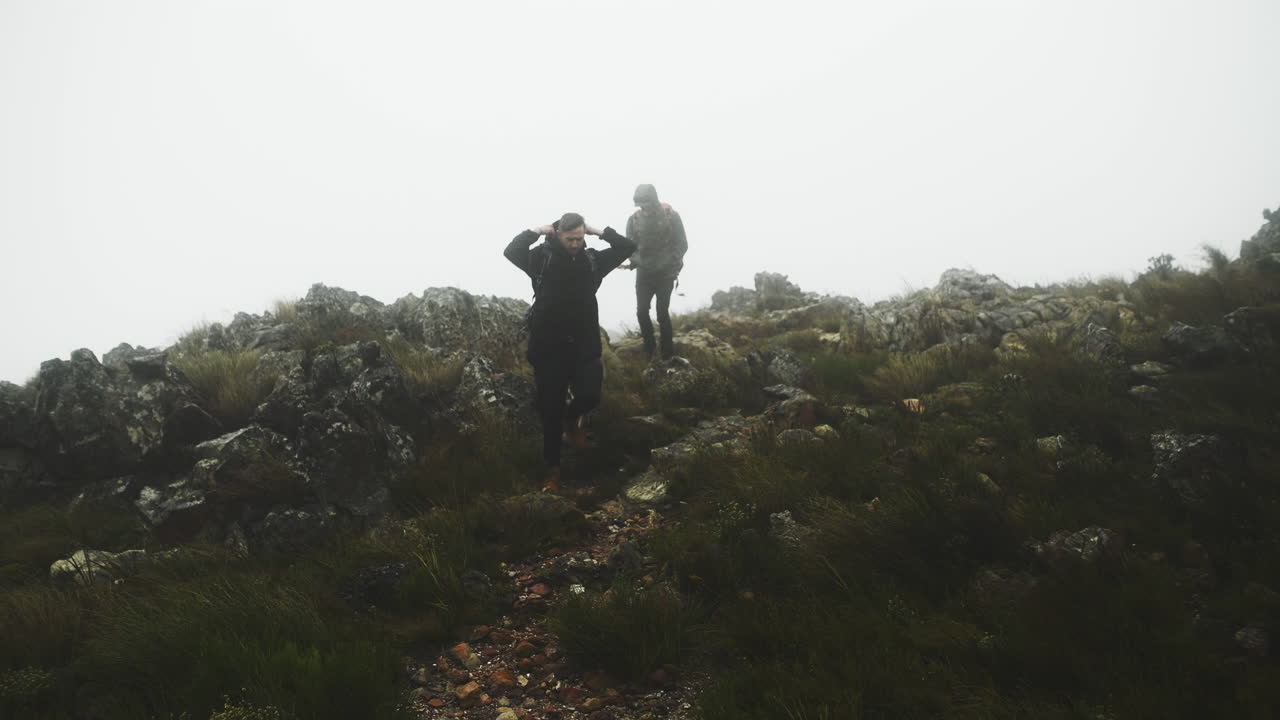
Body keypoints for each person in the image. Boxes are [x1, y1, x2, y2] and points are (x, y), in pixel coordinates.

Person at [504, 212, 636, 490]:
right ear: (559, 235)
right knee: (550, 410)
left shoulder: (593, 261)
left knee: (590, 394)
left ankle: (571, 421)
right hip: (548, 348)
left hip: (584, 345)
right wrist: (538, 230)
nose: (575, 243)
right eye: (570, 238)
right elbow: (511, 250)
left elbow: (627, 247)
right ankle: (552, 470)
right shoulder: (540, 258)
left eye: (579, 238)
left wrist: (597, 231)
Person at [625, 184, 688, 359]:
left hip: (665, 275)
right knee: (642, 311)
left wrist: (670, 263)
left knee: (662, 312)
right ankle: (649, 347)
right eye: (640, 203)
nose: (643, 206)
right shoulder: (634, 220)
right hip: (644, 274)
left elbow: (682, 243)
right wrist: (637, 261)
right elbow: (629, 247)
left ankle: (667, 351)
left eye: (646, 202)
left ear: (654, 200)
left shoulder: (671, 216)